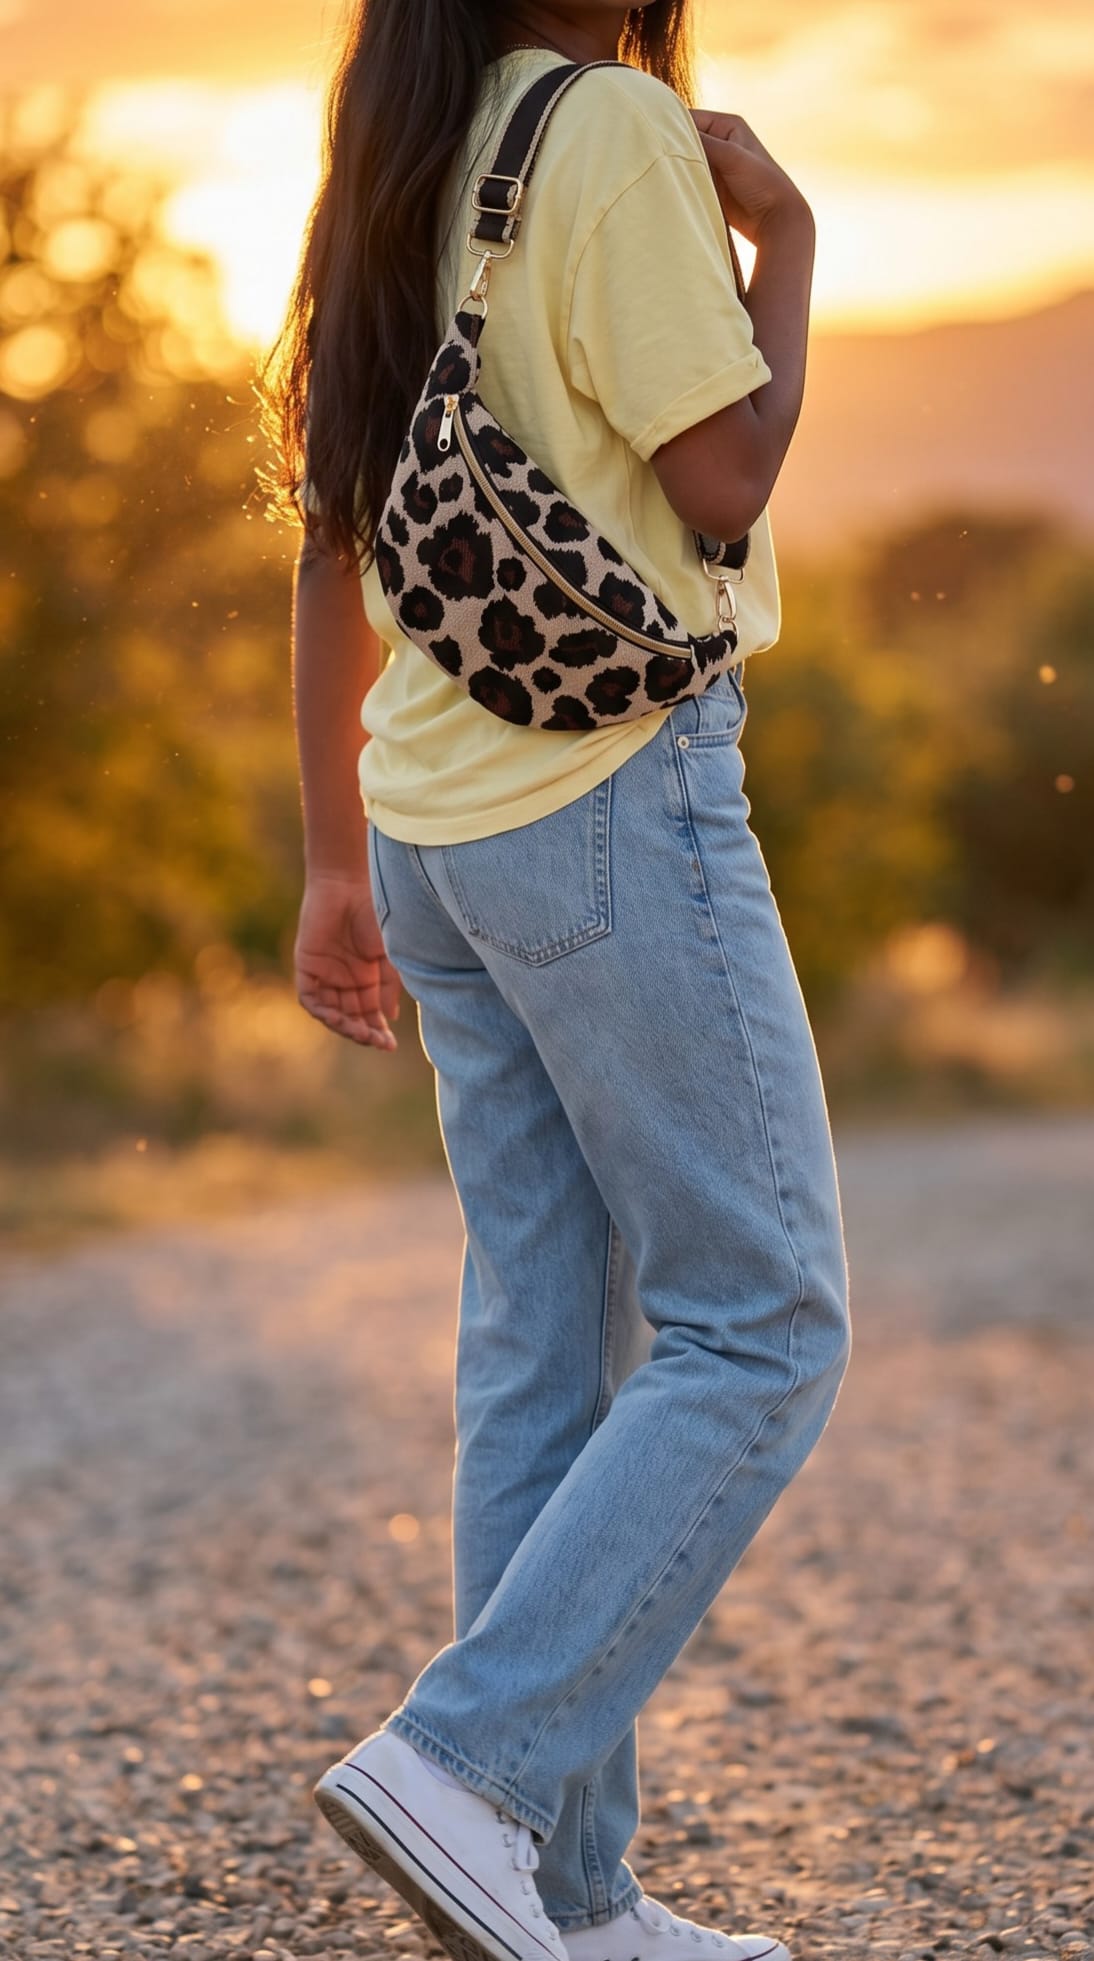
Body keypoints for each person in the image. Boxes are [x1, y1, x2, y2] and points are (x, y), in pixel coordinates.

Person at [263, 5, 852, 1961]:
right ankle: (472, 1765)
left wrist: (336, 859)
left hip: (431, 816)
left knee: (543, 1340)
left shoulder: (393, 164)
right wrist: (791, 250)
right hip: (605, 793)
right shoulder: (605, 132)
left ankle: (566, 1905)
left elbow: (333, 527)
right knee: (761, 1320)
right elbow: (720, 485)